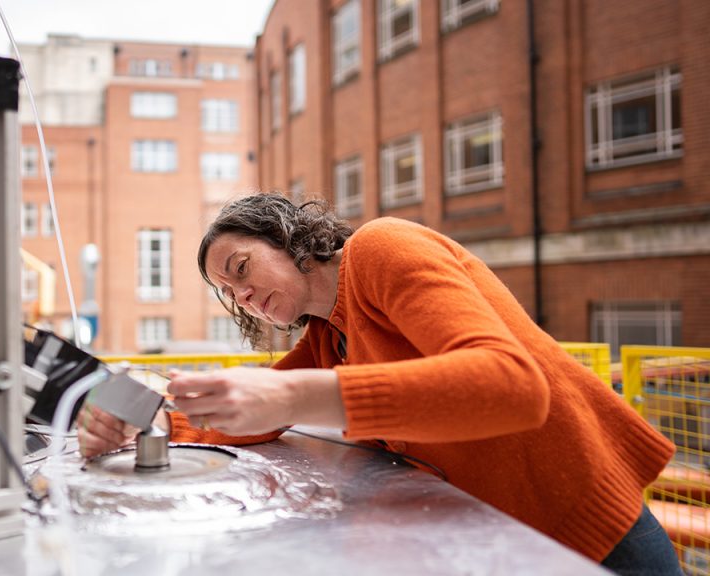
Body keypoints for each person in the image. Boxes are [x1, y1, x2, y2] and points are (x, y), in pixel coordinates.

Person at [77, 193, 680, 575]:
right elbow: (245, 413)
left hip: (583, 521)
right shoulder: (328, 336)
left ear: (285, 237)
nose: (243, 296)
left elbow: (511, 385)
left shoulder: (383, 248)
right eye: (230, 293)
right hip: (511, 536)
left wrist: (290, 395)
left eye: (241, 269)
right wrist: (144, 419)